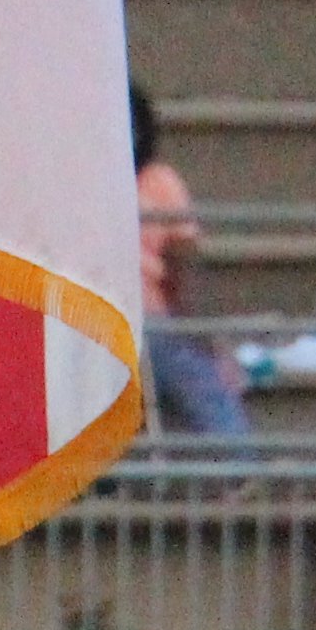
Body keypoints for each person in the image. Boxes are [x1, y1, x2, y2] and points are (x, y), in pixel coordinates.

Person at [128, 84, 240, 439]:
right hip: (82, 317)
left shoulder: (160, 183)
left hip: (149, 321)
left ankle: (239, 469)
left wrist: (209, 343)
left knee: (190, 363)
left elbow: (183, 266)